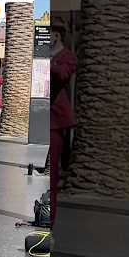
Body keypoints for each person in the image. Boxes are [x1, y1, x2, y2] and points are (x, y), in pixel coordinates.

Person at [46, 25, 77, 227]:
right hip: (45, 116)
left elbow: (62, 75)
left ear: (56, 36)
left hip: (56, 118)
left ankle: (53, 219)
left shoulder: (67, 56)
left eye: (49, 35)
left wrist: (49, 60)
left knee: (54, 172)